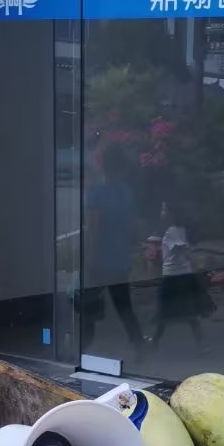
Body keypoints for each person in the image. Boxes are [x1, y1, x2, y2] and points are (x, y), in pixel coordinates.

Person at [84, 143, 142, 352]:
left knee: (88, 304)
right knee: (124, 305)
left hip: (100, 259)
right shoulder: (126, 193)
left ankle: (84, 347)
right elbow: (132, 225)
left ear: (104, 166)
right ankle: (138, 344)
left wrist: (88, 256)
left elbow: (93, 228)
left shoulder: (97, 194)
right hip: (121, 259)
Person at [149, 201, 213, 347]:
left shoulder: (172, 231)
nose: (162, 212)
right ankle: (202, 344)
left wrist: (197, 265)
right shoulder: (180, 229)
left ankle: (154, 343)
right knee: (189, 313)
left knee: (164, 311)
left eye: (164, 209)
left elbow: (182, 250)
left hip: (173, 277)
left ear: (171, 213)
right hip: (183, 275)